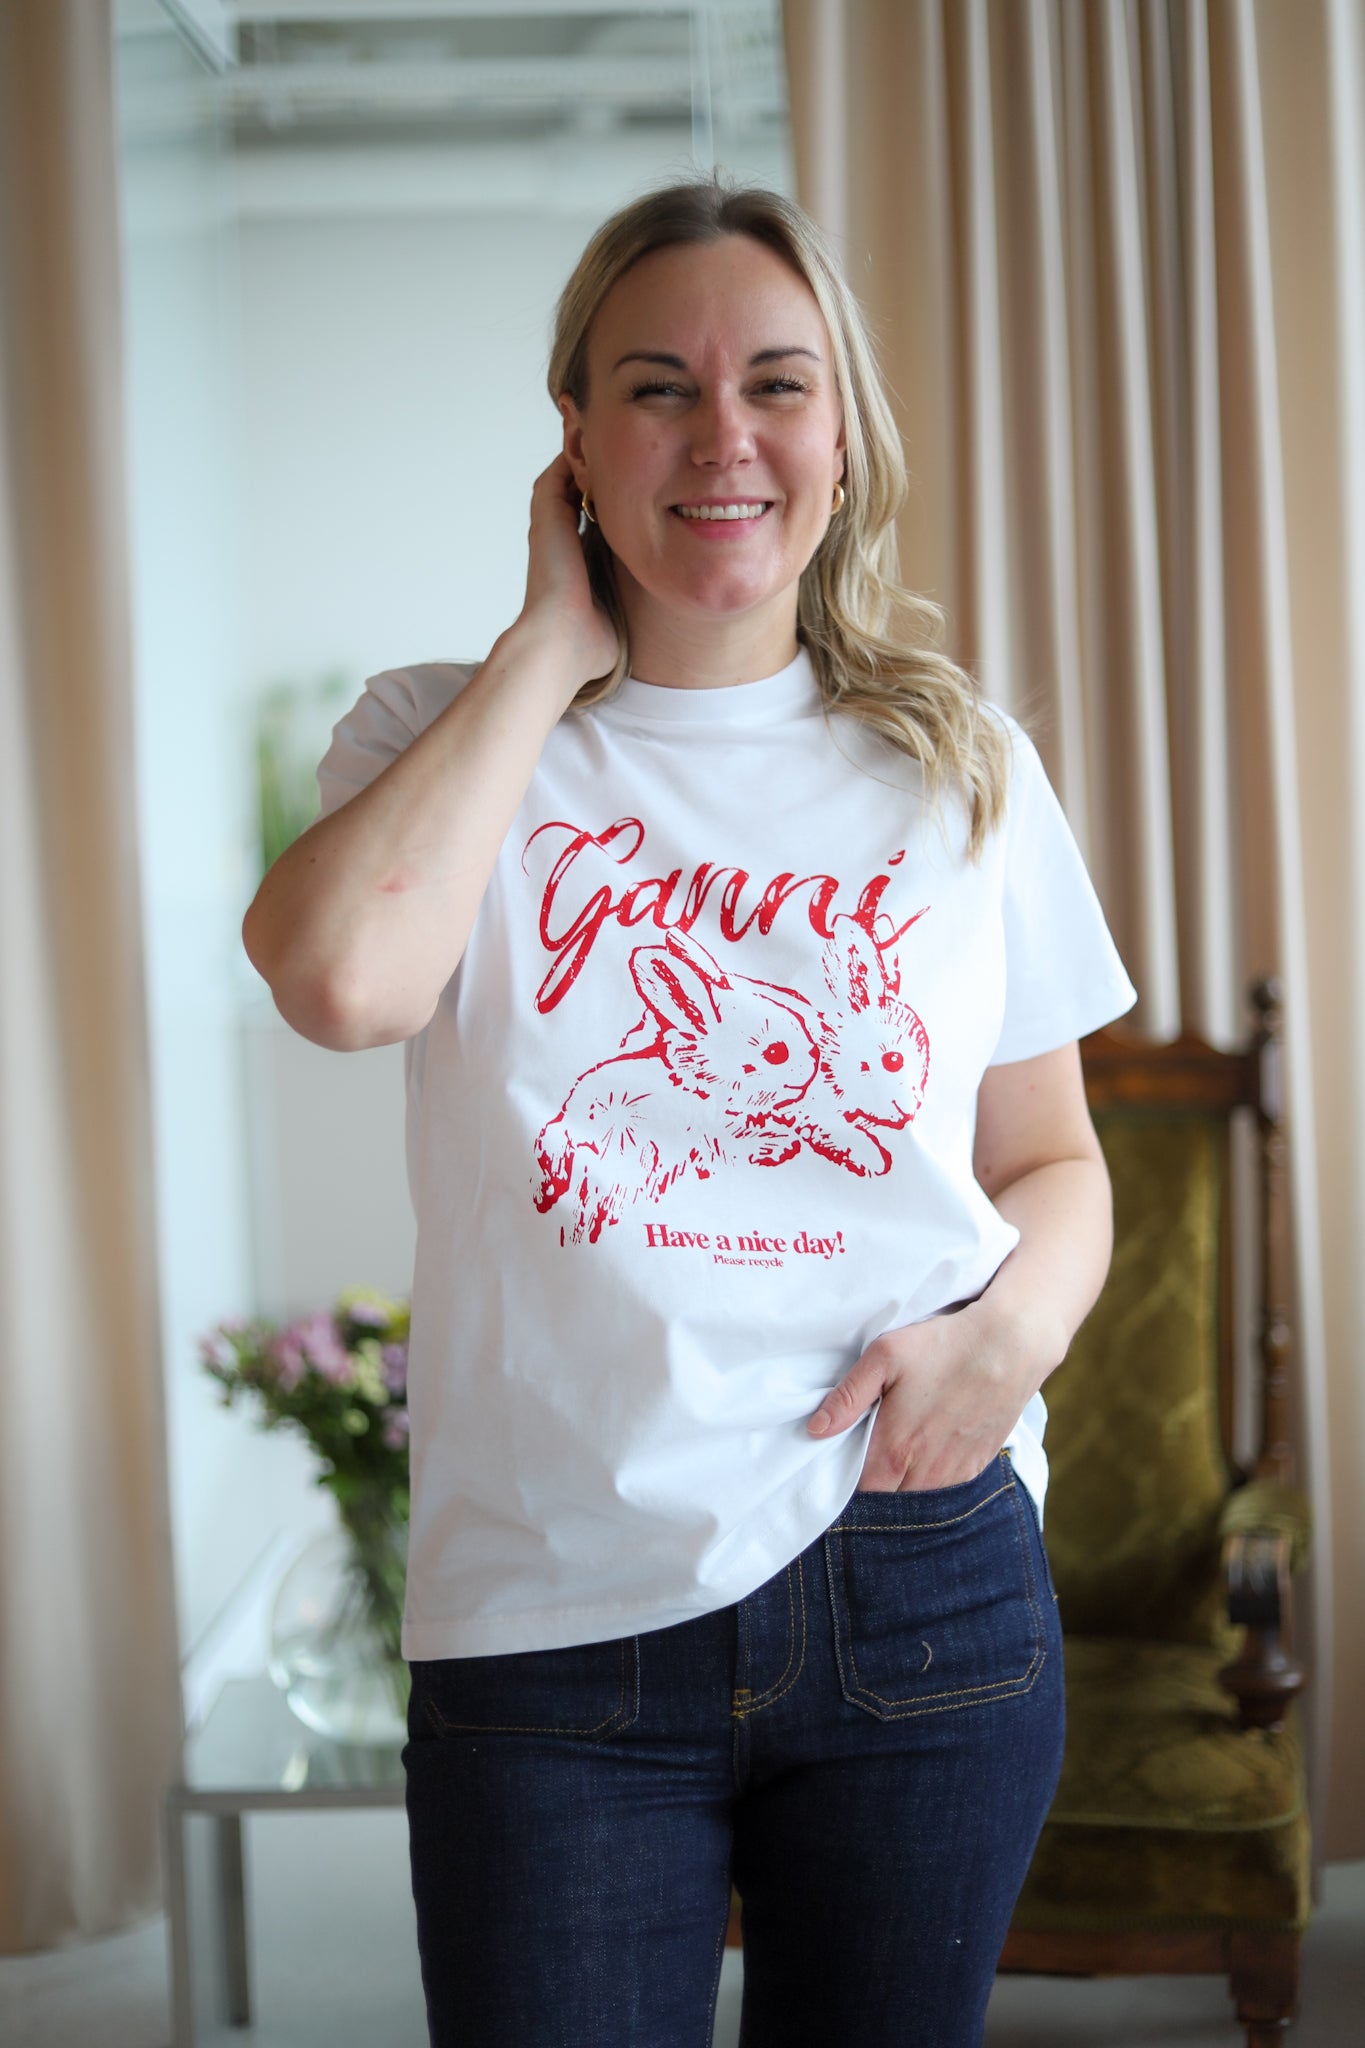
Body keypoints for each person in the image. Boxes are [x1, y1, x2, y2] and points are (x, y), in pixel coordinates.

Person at [243, 175, 1136, 2048]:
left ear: (841, 432)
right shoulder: (437, 733)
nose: (724, 437)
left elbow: (1049, 1161)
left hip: (916, 1567)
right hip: (552, 1604)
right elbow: (339, 984)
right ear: (572, 435)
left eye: (776, 385)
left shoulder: (958, 764)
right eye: (658, 388)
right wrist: (545, 653)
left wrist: (1012, 1338)